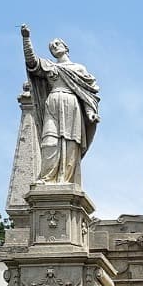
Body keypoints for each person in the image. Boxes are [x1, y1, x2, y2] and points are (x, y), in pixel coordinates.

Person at [22, 25, 101, 185]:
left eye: (57, 44)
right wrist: (26, 39)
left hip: (72, 106)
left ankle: (66, 179)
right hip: (52, 105)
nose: (54, 47)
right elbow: (32, 62)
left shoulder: (78, 68)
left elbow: (86, 94)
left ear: (66, 48)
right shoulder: (49, 66)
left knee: (71, 144)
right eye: (51, 47)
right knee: (49, 142)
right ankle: (46, 178)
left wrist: (90, 112)